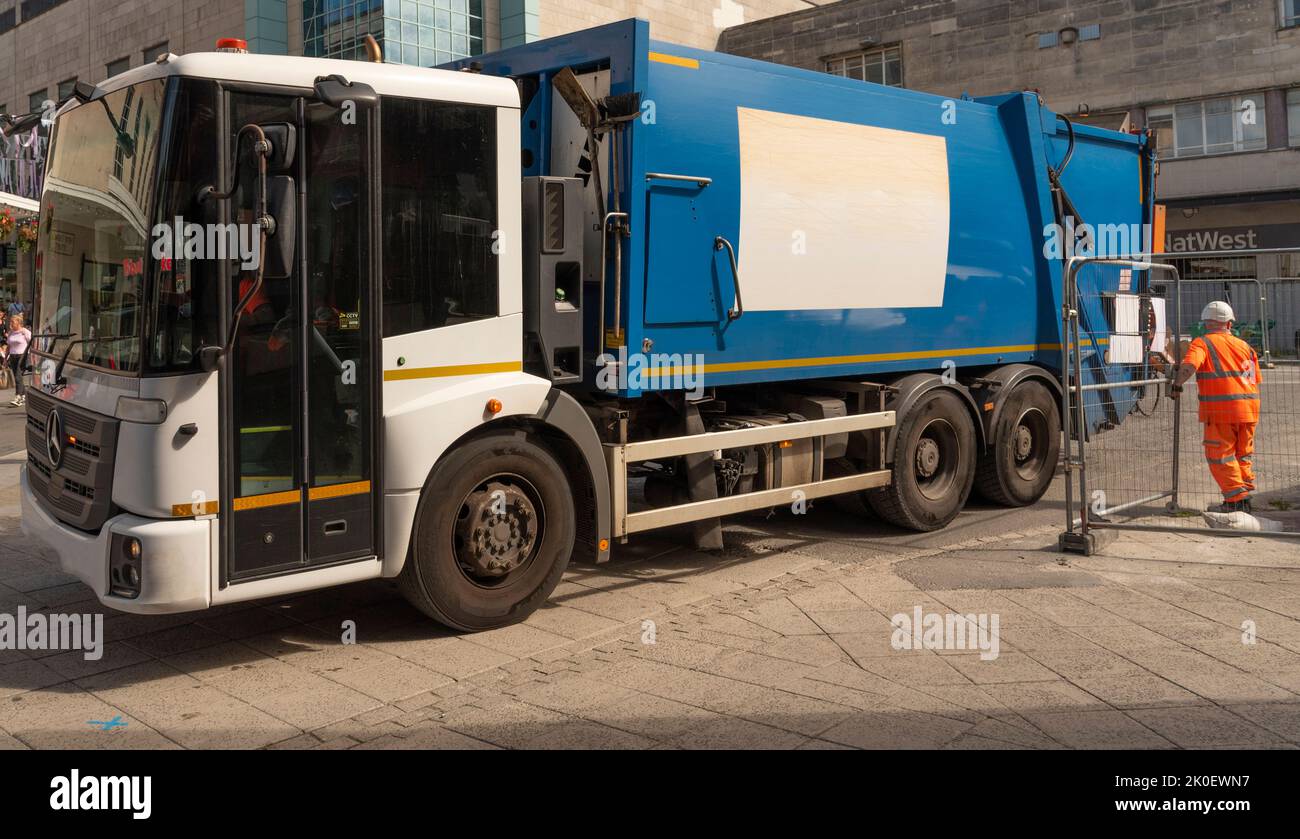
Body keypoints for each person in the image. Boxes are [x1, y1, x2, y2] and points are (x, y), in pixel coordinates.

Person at [1170, 301, 1261, 512]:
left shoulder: (1202, 343)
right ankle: (1244, 497)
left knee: (1220, 455)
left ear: (1205, 323)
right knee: (1242, 454)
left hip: (1221, 411)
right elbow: (1254, 378)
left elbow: (1190, 365)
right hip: (1249, 410)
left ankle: (1235, 501)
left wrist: (1176, 385)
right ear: (1229, 324)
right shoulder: (1245, 347)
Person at [6, 312, 31, 407]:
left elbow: (31, 343)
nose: (11, 324)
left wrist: (30, 355)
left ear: (19, 323)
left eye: (12, 322)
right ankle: (24, 395)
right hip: (13, 356)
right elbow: (8, 346)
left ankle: (18, 396)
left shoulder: (25, 332)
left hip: (22, 356)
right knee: (17, 376)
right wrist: (5, 359)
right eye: (11, 322)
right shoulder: (11, 333)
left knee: (18, 376)